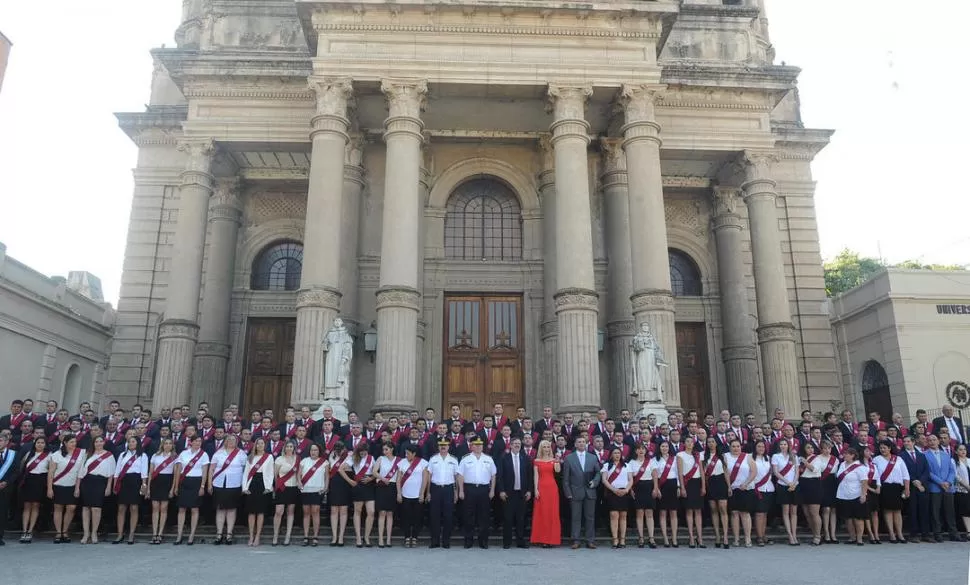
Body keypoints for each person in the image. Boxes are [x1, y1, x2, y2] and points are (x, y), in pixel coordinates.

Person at [457, 436, 497, 549]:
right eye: (476, 444)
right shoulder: (466, 459)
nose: (478, 446)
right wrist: (461, 490)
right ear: (471, 446)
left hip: (484, 489)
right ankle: (468, 540)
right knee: (468, 515)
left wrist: (492, 490)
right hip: (469, 489)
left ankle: (483, 541)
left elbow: (493, 475)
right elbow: (460, 475)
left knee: (484, 516)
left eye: (480, 445)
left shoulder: (488, 459)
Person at [562, 435, 600, 549]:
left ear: (586, 444)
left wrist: (595, 482)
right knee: (576, 517)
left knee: (590, 517)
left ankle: (590, 540)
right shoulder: (569, 458)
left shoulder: (592, 457)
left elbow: (598, 473)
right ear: (575, 444)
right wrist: (567, 492)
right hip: (575, 492)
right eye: (579, 442)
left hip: (590, 491)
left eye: (583, 442)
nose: (581, 444)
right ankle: (576, 540)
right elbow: (566, 478)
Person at [208, 433, 246, 545]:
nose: (231, 441)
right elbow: (211, 469)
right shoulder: (218, 453)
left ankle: (229, 534)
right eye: (229, 439)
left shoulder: (241, 454)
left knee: (231, 509)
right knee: (220, 509)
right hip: (219, 484)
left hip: (234, 484)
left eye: (233, 440)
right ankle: (219, 534)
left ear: (237, 442)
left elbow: (245, 471)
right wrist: (209, 484)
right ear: (225, 441)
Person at [77, 435, 115, 544]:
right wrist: (77, 487)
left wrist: (108, 487)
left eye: (100, 441)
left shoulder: (109, 455)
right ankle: (86, 533)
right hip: (87, 481)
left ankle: (94, 532)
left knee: (96, 508)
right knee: (86, 508)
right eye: (96, 441)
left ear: (104, 443)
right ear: (93, 443)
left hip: (100, 482)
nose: (98, 443)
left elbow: (111, 473)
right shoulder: (87, 454)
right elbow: (80, 472)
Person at [497, 436, 533, 549]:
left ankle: (520, 541)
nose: (517, 445)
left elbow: (529, 476)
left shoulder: (525, 458)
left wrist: (529, 491)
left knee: (520, 518)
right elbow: (500, 476)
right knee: (508, 518)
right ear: (510, 445)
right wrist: (501, 490)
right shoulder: (504, 458)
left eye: (518, 443)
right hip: (508, 493)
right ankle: (507, 542)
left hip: (522, 493)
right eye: (515, 443)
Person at [48, 433, 85, 543]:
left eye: (75, 442)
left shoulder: (81, 453)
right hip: (58, 485)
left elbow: (80, 472)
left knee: (71, 508)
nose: (74, 444)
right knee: (58, 508)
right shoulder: (56, 455)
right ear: (65, 443)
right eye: (71, 442)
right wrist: (49, 488)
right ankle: (59, 532)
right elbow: (51, 473)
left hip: (72, 485)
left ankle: (65, 531)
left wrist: (77, 488)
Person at [174, 435, 209, 545]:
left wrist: (202, 486)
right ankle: (179, 535)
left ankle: (191, 535)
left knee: (194, 509)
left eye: (200, 441)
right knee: (182, 509)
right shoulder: (184, 453)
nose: (198, 443)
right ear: (191, 442)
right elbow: (178, 470)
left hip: (196, 482)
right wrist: (175, 486)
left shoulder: (203, 454)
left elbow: (205, 472)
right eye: (196, 441)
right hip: (184, 481)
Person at [873, 439, 910, 543]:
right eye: (880, 448)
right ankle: (892, 534)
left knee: (898, 511)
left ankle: (900, 534)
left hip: (897, 487)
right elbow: (875, 475)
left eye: (884, 448)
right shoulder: (876, 459)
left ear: (889, 448)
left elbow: (905, 475)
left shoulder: (898, 459)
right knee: (888, 511)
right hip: (885, 487)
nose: (882, 450)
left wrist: (907, 488)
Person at [924, 433, 959, 542]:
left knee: (950, 511)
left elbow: (952, 471)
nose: (932, 442)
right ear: (927, 443)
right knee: (935, 512)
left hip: (948, 487)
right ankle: (937, 533)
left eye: (934, 439)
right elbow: (928, 472)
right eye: (930, 440)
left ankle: (953, 533)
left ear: (938, 441)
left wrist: (948, 482)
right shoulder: (925, 455)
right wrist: (940, 482)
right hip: (935, 487)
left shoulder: (946, 454)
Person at [113, 435, 148, 545]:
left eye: (133, 441)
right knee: (121, 508)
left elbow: (144, 472)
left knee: (134, 507)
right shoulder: (122, 455)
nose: (131, 443)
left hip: (135, 481)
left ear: (137, 443)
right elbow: (117, 471)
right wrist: (115, 485)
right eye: (129, 442)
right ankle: (120, 534)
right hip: (123, 481)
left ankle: (131, 534)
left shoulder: (142, 455)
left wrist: (144, 485)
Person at [341, 441, 376, 547]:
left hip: (369, 486)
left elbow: (376, 472)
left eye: (364, 452)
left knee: (371, 512)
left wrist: (371, 478)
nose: (363, 454)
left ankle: (366, 537)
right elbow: (340, 469)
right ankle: (358, 538)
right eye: (361, 452)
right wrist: (350, 481)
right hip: (358, 486)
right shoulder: (353, 458)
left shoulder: (371, 458)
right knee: (358, 511)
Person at [427, 438, 459, 548]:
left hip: (449, 489)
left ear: (449, 446)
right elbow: (429, 476)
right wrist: (428, 492)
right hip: (435, 489)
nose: (443, 446)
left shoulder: (454, 460)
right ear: (438, 446)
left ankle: (446, 541)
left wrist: (456, 492)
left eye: (445, 445)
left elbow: (456, 477)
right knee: (434, 516)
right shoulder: (433, 459)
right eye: (441, 445)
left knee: (448, 516)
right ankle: (434, 541)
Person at [242, 437, 274, 547]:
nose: (260, 445)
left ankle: (257, 536)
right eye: (258, 443)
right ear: (255, 445)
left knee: (260, 512)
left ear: (264, 445)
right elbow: (246, 473)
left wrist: (268, 487)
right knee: (251, 512)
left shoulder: (269, 457)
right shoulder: (250, 457)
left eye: (262, 443)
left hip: (263, 484)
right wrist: (244, 487)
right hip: (252, 483)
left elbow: (270, 473)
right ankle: (251, 536)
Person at [899, 434, 931, 542]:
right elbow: (904, 471)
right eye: (905, 442)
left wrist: (920, 481)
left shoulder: (921, 455)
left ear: (913, 442)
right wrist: (915, 482)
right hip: (911, 486)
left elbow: (926, 470)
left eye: (908, 441)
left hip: (922, 486)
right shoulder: (901, 456)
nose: (906, 443)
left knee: (924, 510)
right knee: (913, 510)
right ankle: (914, 534)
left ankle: (925, 534)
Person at [724, 438, 755, 548]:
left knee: (745, 513)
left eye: (738, 446)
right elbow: (726, 473)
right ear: (730, 447)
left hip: (745, 488)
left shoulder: (747, 456)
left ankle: (747, 538)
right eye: (733, 446)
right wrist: (728, 486)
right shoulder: (726, 456)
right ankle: (736, 538)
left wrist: (746, 483)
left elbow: (753, 472)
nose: (736, 448)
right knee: (734, 513)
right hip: (733, 488)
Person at [18, 435, 50, 544]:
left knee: (35, 506)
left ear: (45, 445)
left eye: (42, 443)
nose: (40, 444)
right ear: (35, 444)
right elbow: (22, 468)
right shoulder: (29, 454)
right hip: (28, 481)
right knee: (27, 506)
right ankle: (24, 530)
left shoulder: (48, 456)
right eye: (38, 442)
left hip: (40, 482)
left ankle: (30, 530)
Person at [396, 443, 428, 548]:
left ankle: (414, 537)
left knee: (417, 517)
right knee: (406, 517)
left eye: (408, 453)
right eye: (405, 453)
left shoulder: (422, 463)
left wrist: (422, 493)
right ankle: (406, 537)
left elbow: (425, 479)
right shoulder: (402, 463)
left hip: (417, 495)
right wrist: (399, 493)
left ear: (414, 454)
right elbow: (398, 480)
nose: (406, 455)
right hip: (405, 495)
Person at [676, 435, 706, 548]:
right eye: (687, 441)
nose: (689, 443)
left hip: (697, 483)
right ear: (684, 443)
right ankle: (691, 538)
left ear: (694, 443)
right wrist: (682, 487)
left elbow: (702, 472)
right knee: (689, 512)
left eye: (691, 441)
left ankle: (700, 538)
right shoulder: (680, 455)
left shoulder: (699, 455)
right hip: (687, 483)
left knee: (698, 511)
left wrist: (703, 486)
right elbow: (679, 473)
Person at [835, 447, 869, 546]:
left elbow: (864, 482)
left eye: (847, 454)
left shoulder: (859, 467)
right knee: (848, 518)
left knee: (858, 518)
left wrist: (863, 495)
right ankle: (852, 537)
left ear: (853, 455)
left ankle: (859, 539)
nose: (844, 455)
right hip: (843, 495)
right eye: (844, 454)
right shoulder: (842, 465)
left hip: (856, 495)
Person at [147, 437, 178, 544]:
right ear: (162, 445)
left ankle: (160, 533)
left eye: (170, 443)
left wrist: (172, 488)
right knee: (155, 509)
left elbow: (175, 475)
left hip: (167, 482)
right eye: (166, 443)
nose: (168, 445)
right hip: (156, 482)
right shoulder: (155, 456)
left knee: (163, 508)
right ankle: (154, 533)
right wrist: (148, 487)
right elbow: (150, 473)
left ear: (172, 445)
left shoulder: (174, 457)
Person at [530, 439, 560, 548]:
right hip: (541, 488)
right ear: (541, 448)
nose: (546, 449)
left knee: (552, 513)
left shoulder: (553, 460)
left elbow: (557, 471)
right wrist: (536, 489)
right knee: (542, 513)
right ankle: (543, 539)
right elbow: (536, 476)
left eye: (548, 446)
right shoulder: (537, 460)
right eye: (544, 447)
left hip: (552, 488)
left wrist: (557, 460)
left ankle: (552, 539)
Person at [298, 442, 328, 547]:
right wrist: (299, 483)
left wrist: (325, 488)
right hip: (306, 490)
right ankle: (306, 536)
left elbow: (326, 477)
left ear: (319, 451)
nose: (313, 452)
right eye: (311, 450)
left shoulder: (324, 462)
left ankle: (315, 536)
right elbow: (299, 474)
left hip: (317, 490)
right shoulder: (304, 461)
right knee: (306, 513)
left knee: (315, 512)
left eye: (315, 450)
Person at [771, 437, 799, 545]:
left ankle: (795, 534)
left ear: (788, 445)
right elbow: (776, 472)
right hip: (783, 485)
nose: (783, 446)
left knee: (794, 512)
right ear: (779, 446)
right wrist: (788, 482)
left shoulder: (794, 456)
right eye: (781, 444)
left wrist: (793, 483)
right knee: (786, 511)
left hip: (794, 485)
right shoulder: (775, 456)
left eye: (785, 444)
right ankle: (790, 536)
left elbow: (797, 472)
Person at [601, 446, 631, 548]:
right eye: (615, 453)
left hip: (624, 492)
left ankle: (622, 539)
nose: (617, 455)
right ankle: (615, 539)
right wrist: (613, 490)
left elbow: (630, 479)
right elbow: (604, 480)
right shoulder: (606, 466)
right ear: (611, 455)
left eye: (618, 453)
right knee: (614, 516)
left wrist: (626, 489)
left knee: (623, 516)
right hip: (612, 492)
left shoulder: (626, 465)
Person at [703, 436, 729, 548]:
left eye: (712, 441)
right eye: (708, 442)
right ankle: (717, 536)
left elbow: (726, 471)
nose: (711, 443)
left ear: (716, 443)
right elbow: (704, 473)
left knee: (723, 508)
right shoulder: (704, 457)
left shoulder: (722, 456)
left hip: (721, 481)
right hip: (711, 482)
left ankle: (726, 536)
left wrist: (729, 486)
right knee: (713, 510)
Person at [374, 441, 401, 547]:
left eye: (386, 449)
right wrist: (383, 478)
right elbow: (374, 472)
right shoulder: (380, 459)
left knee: (390, 513)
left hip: (392, 487)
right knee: (382, 513)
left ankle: (388, 538)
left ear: (392, 449)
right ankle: (381, 538)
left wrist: (399, 492)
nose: (384, 451)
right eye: (383, 449)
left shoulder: (399, 461)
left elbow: (399, 478)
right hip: (381, 486)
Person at [273, 440, 300, 546]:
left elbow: (299, 474)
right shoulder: (279, 459)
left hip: (293, 488)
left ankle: (287, 536)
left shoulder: (297, 459)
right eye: (287, 446)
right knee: (279, 512)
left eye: (291, 446)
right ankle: (275, 535)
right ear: (284, 448)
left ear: (294, 448)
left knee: (290, 512)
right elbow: (275, 475)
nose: (289, 448)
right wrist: (276, 487)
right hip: (282, 487)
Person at [652, 441, 678, 547]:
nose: (664, 448)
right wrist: (657, 488)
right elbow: (654, 475)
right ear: (659, 448)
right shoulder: (654, 460)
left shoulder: (675, 459)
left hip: (673, 484)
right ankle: (666, 539)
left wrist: (679, 486)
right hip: (662, 485)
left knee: (673, 513)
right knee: (663, 513)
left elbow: (678, 473)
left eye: (666, 446)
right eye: (662, 446)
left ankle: (674, 538)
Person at [798, 441, 824, 545]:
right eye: (808, 447)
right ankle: (814, 534)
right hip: (803, 483)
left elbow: (814, 469)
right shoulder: (800, 459)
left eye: (812, 447)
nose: (810, 449)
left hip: (814, 484)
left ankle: (818, 536)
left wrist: (805, 462)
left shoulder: (817, 458)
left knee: (814, 512)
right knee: (807, 513)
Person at [750, 440, 774, 546]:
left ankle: (763, 535)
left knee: (764, 513)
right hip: (757, 488)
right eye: (759, 446)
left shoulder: (768, 458)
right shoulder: (750, 457)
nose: (761, 448)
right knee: (759, 513)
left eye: (763, 447)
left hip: (768, 488)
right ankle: (759, 536)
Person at [327, 442, 351, 546]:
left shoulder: (349, 455)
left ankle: (341, 537)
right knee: (334, 510)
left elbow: (349, 469)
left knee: (343, 511)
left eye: (340, 449)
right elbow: (330, 470)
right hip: (334, 483)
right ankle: (334, 536)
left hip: (344, 483)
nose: (338, 451)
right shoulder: (331, 456)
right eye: (336, 449)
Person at [954, 444, 970, 540]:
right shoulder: (955, 461)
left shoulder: (969, 460)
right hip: (962, 489)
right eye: (960, 449)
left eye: (964, 449)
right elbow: (956, 476)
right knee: (966, 511)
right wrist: (967, 486)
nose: (963, 451)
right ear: (956, 451)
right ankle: (969, 531)